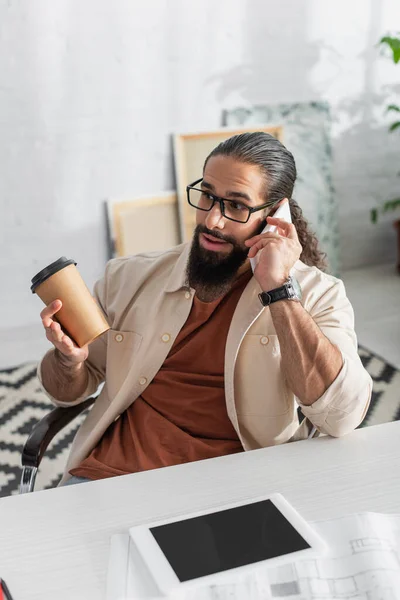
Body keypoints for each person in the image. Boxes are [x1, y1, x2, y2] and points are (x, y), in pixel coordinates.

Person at [38, 132, 372, 486]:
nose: (213, 220)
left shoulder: (320, 295)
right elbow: (67, 390)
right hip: (113, 476)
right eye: (208, 196)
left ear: (275, 215)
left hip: (236, 489)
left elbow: (341, 417)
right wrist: (68, 361)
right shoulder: (127, 278)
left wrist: (279, 289)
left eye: (237, 206)